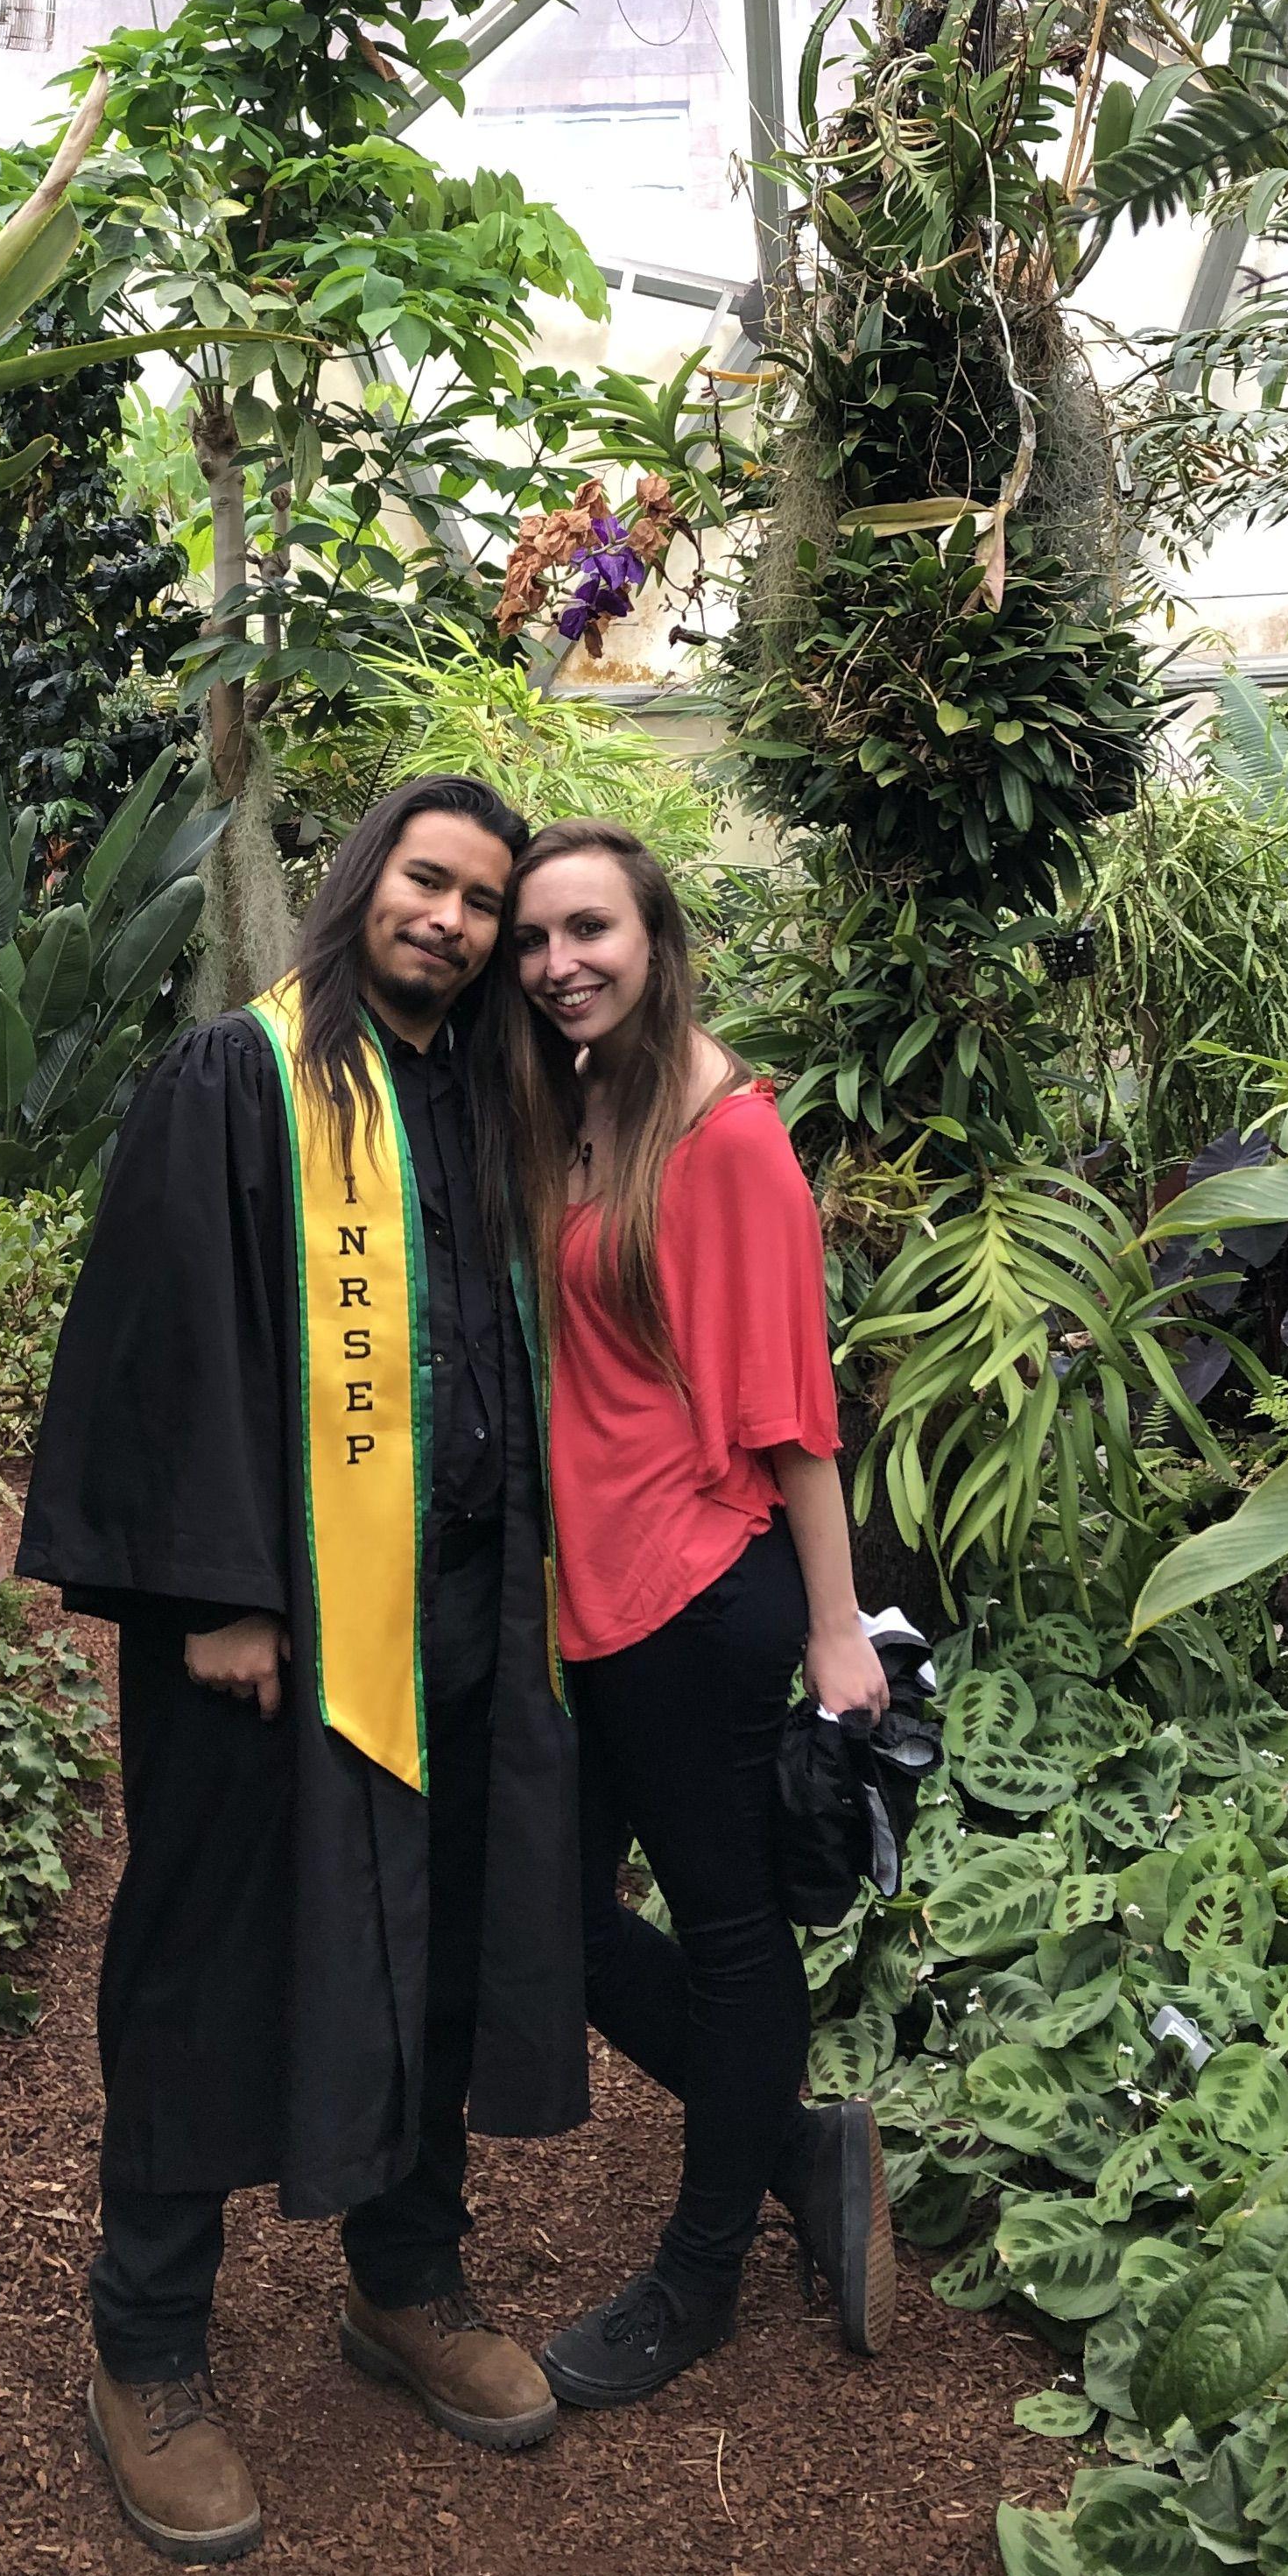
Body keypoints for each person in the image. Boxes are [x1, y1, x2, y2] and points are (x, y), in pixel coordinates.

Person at [17, 778, 584, 2565]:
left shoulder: (487, 1099)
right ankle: (147, 2345)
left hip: (463, 1616)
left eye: (485, 901)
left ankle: (405, 2277)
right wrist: (221, 1596)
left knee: (441, 1950)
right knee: (207, 1955)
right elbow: (170, 1336)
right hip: (274, 1630)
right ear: (365, 886)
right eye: (429, 881)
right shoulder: (242, 1081)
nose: (455, 919)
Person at [497, 819, 894, 2407]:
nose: (556, 964)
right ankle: (797, 2144)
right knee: (570, 1929)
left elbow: (791, 1403)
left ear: (655, 938)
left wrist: (836, 1622)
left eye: (587, 931)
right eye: (534, 940)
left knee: (728, 1936)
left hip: (696, 1591)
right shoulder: (581, 1097)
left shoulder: (724, 1134)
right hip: (594, 1601)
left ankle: (701, 2275)